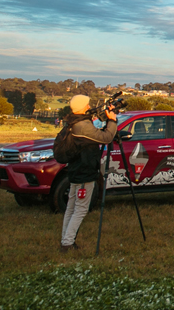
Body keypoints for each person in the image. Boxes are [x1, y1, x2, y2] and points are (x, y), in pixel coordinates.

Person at [60, 94, 118, 253]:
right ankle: (67, 243)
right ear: (82, 106)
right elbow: (106, 137)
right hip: (84, 172)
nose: (88, 107)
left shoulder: (73, 123)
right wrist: (112, 121)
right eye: (87, 104)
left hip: (75, 170)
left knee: (71, 208)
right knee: (80, 209)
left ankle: (65, 239)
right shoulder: (82, 126)